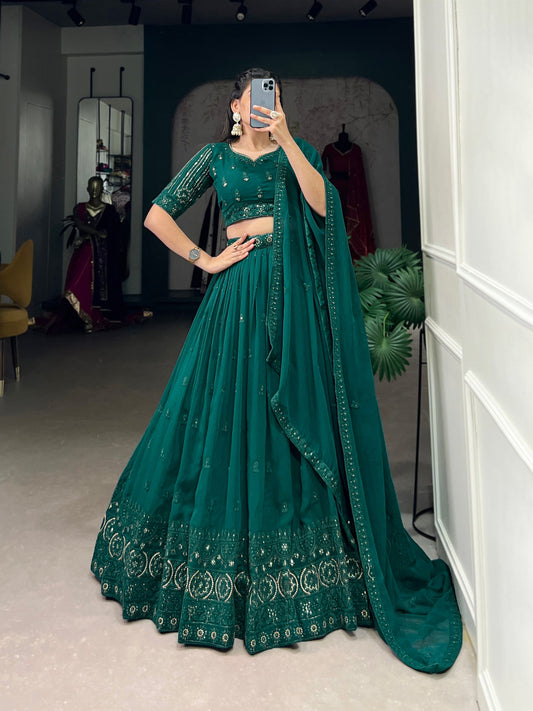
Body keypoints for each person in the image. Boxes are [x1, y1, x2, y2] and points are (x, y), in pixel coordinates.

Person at [91, 68, 462, 672]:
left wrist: (288, 139)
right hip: (236, 295)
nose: (268, 106)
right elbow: (158, 213)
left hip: (293, 302)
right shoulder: (216, 157)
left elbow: (324, 208)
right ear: (236, 106)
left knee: (291, 412)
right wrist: (207, 260)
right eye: (257, 98)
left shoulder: (300, 153)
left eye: (276, 98)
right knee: (218, 415)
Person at [64, 176, 125, 331]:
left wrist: (97, 236)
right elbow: (80, 225)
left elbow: (113, 233)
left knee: (105, 280)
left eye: (97, 187)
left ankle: (102, 313)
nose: (94, 191)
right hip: (87, 250)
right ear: (87, 188)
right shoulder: (80, 208)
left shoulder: (109, 210)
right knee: (80, 276)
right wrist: (94, 234)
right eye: (91, 187)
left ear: (102, 189)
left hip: (105, 254)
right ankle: (82, 311)